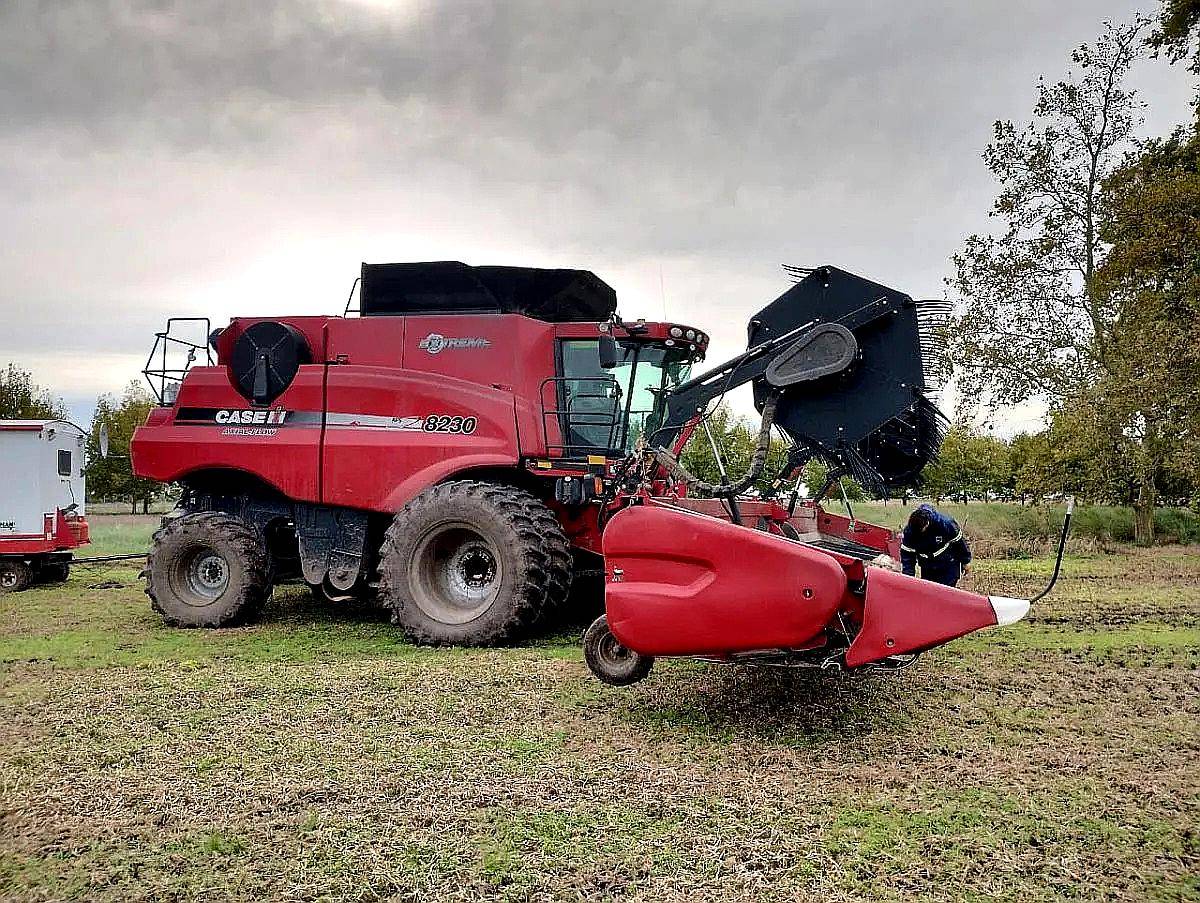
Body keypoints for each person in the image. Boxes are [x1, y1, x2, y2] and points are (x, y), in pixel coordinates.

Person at [899, 504, 972, 587]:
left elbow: (959, 542)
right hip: (927, 566)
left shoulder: (945, 524)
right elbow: (907, 555)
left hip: (948, 564)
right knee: (930, 592)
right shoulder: (910, 531)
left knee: (946, 593)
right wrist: (908, 578)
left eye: (921, 530)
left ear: (927, 523)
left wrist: (966, 561)